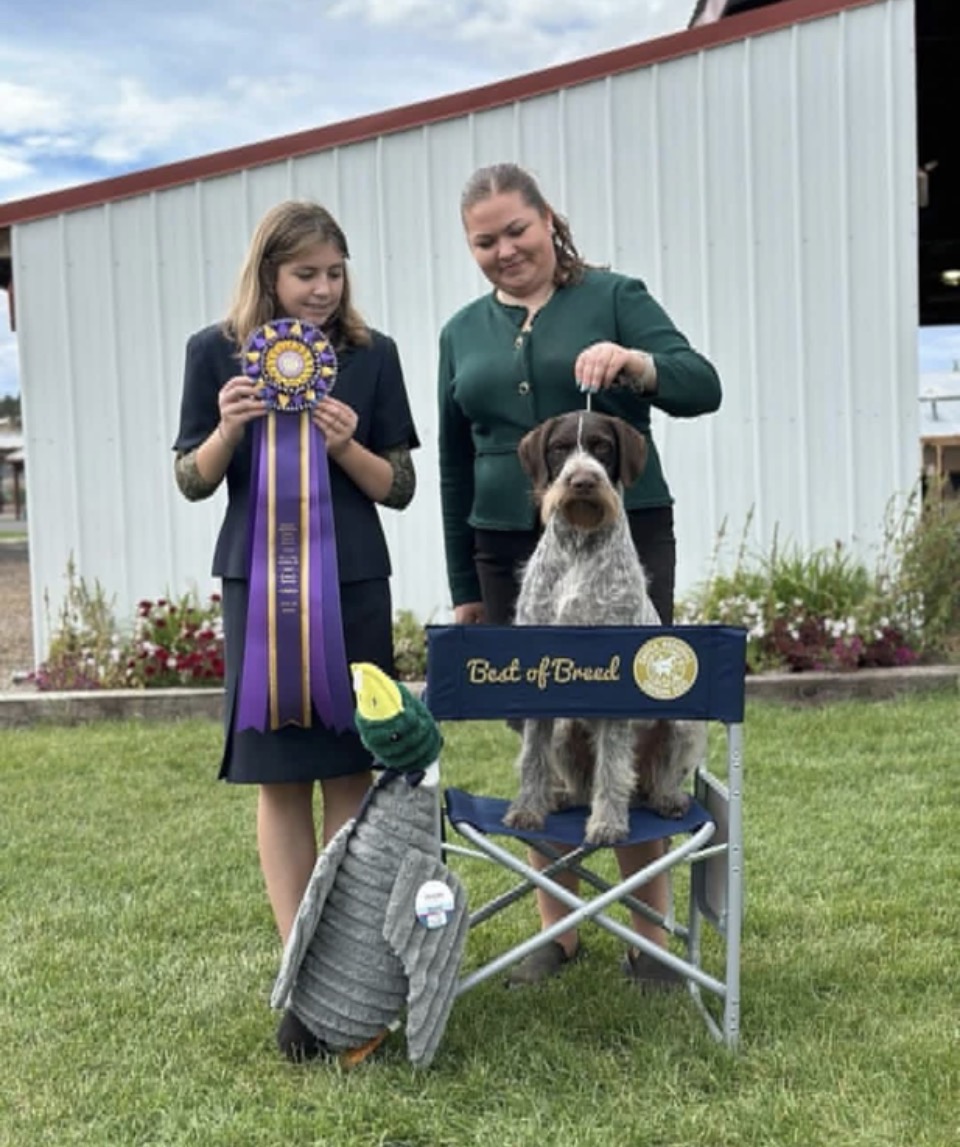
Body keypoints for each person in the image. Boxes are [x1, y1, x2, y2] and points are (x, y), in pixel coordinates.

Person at [437, 162, 722, 988]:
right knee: (541, 725)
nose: (503, 250)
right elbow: (454, 464)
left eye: (515, 230)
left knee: (632, 706)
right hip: (506, 549)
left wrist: (637, 362)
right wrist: (464, 585)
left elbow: (701, 385)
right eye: (483, 241)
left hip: (628, 541)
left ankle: (648, 934)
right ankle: (554, 930)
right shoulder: (462, 330)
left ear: (548, 221)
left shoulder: (614, 295)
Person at [173, 200, 420, 1048]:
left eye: (334, 273)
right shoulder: (214, 351)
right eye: (305, 273)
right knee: (280, 778)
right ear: (268, 273)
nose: (322, 289)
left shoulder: (373, 355)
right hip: (259, 591)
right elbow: (192, 479)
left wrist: (346, 445)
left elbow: (399, 487)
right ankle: (304, 977)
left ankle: (352, 964)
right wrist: (227, 427)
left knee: (352, 769)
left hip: (352, 585)